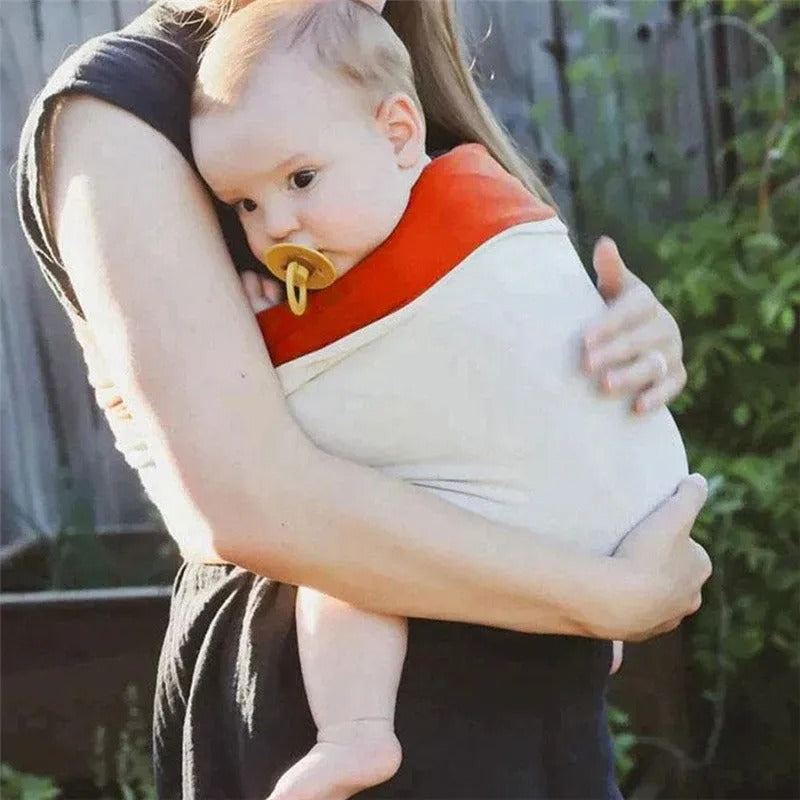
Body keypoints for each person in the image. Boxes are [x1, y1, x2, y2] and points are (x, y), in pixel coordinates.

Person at [16, 0, 711, 797]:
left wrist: (621, 340)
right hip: (322, 687)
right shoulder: (120, 108)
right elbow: (244, 501)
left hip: (532, 662)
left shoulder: (381, 60)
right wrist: (610, 598)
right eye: (248, 205)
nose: (271, 221)